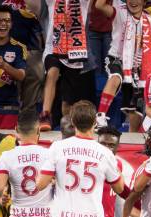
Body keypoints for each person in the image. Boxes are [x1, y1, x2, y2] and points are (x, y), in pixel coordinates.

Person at [95, 0, 151, 132]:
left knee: (134, 112)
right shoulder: (119, 12)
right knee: (116, 77)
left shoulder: (150, 21)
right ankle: (100, 117)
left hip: (137, 70)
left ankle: (132, 138)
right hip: (116, 59)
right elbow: (99, 5)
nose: (133, 1)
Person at [38, 0, 96, 131]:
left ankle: (68, 128)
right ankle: (45, 114)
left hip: (75, 51)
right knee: (52, 72)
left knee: (67, 101)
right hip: (53, 47)